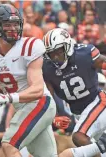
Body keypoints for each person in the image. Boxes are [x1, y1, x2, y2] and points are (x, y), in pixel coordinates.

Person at [0, 4, 57, 157]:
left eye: (16, 24)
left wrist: (6, 98)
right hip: (22, 107)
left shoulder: (30, 46)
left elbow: (38, 89)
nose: (13, 28)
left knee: (9, 146)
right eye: (8, 24)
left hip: (39, 103)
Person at [43, 28, 106, 157]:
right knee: (93, 147)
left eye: (58, 51)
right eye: (51, 53)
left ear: (68, 46)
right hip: (79, 113)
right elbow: (48, 98)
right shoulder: (47, 68)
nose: (55, 56)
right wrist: (53, 118)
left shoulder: (84, 54)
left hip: (97, 101)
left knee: (79, 136)